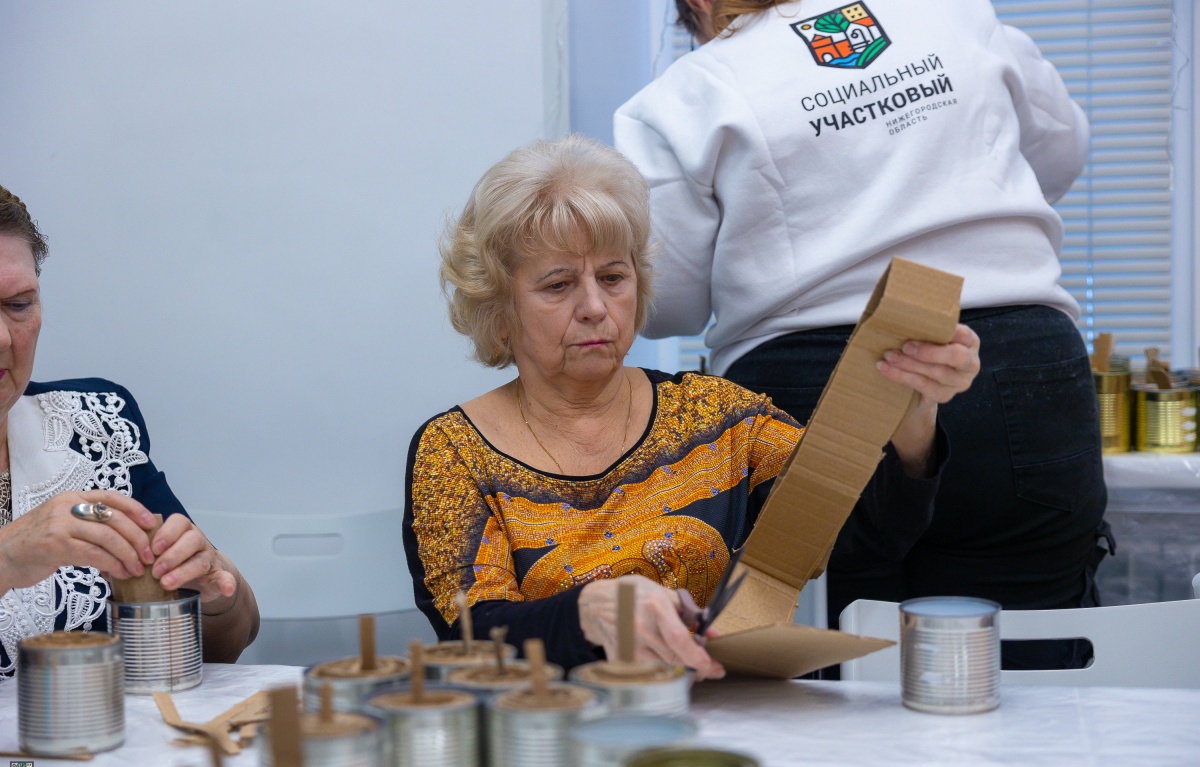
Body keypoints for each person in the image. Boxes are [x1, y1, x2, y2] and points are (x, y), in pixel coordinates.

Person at [614, 0, 1111, 669]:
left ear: (699, 6)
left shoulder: (684, 95)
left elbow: (665, 300)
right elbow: (1060, 156)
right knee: (1025, 670)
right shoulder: (954, 15)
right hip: (1019, 370)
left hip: (809, 387)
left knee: (833, 672)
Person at [403, 135, 979, 677]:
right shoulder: (452, 451)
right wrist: (586, 613)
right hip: (548, 742)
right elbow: (470, 638)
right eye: (557, 285)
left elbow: (862, 536)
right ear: (499, 308)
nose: (595, 307)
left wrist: (913, 418)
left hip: (712, 721)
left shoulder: (718, 418)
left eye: (612, 276)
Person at [0, 186, 260, 677]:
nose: (2, 337)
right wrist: (8, 557)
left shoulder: (94, 427)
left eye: (18, 304)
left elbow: (231, 642)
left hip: (97, 747)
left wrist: (216, 592)